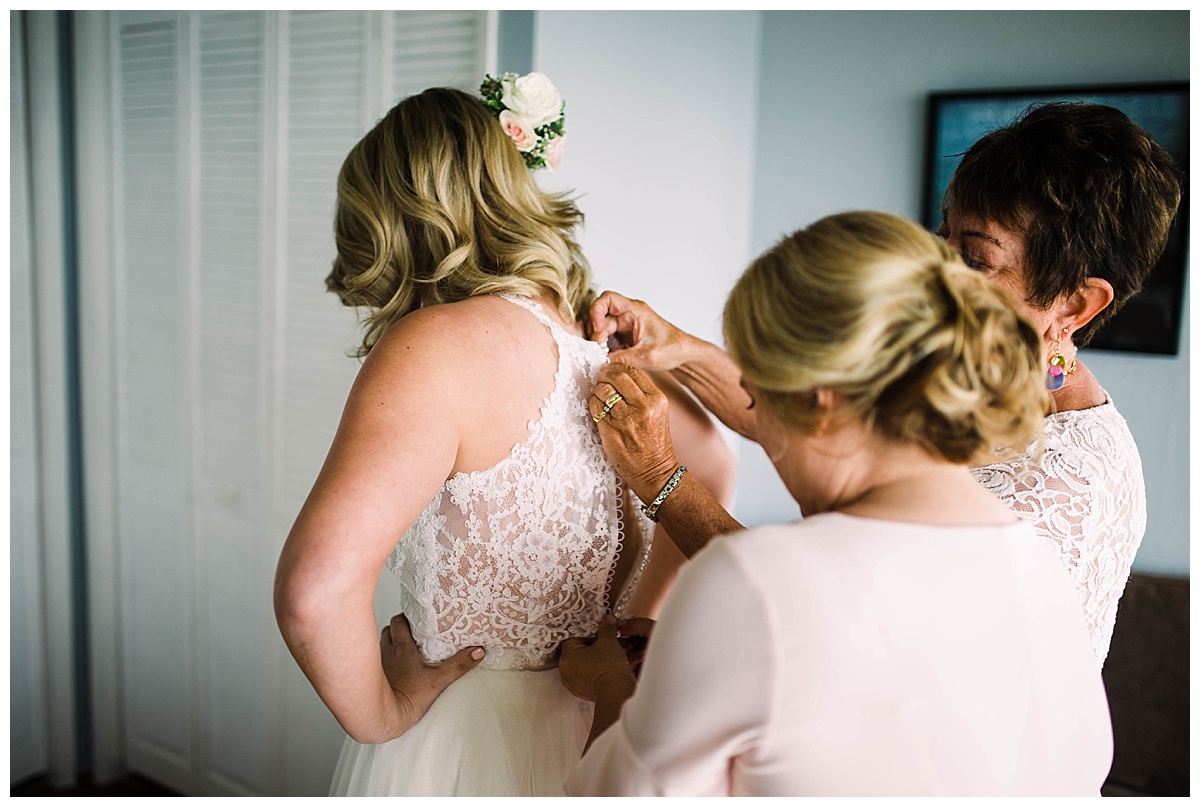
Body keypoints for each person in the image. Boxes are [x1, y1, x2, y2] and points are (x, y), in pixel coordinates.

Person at [588, 102, 1181, 664]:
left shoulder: (1056, 490)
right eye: (940, 236)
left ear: (1075, 304)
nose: (932, 273)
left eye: (974, 259)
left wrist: (661, 479)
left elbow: (825, 616)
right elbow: (809, 416)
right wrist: (678, 350)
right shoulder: (969, 374)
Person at [272, 77, 730, 797]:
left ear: (395, 220)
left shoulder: (430, 347)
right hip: (595, 724)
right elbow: (710, 468)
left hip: (460, 744)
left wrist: (382, 716)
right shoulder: (602, 338)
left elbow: (312, 592)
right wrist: (637, 622)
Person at [557, 211, 1113, 796]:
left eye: (755, 392)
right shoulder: (1040, 563)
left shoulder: (756, 581)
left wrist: (614, 686)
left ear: (819, 398)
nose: (754, 415)